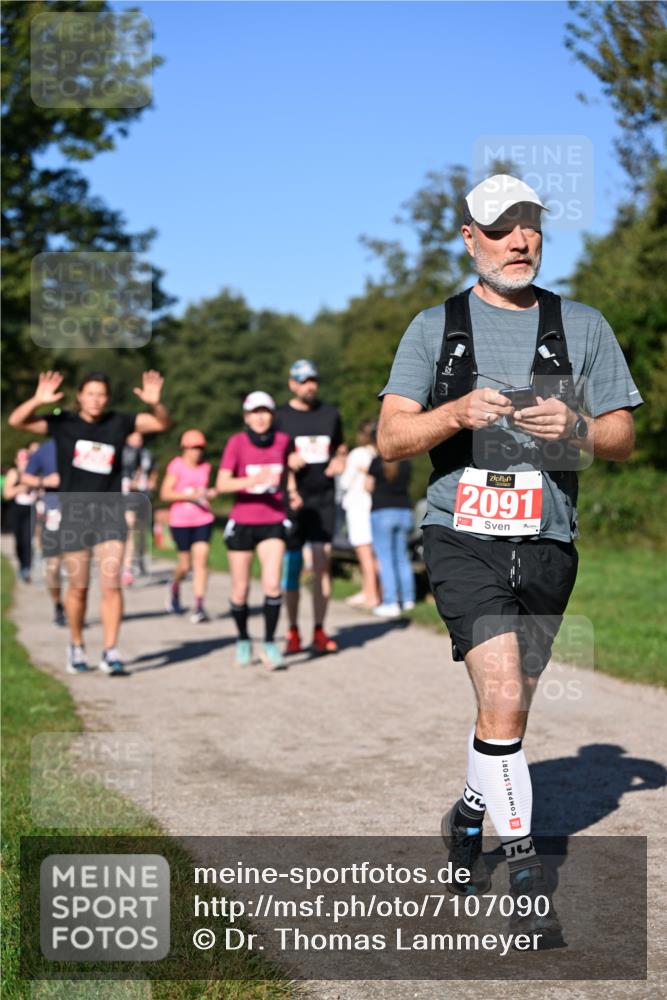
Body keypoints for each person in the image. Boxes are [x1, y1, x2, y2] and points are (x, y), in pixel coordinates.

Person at [377, 174, 642, 947]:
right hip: (461, 534)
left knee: (508, 709)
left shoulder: (580, 323)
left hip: (549, 538)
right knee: (500, 692)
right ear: (469, 238)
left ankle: (467, 810)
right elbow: (390, 439)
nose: (518, 239)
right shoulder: (435, 328)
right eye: (501, 228)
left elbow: (622, 439)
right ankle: (526, 877)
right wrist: (453, 413)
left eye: (529, 224)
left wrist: (579, 427)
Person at [9, 369, 171, 675]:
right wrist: (37, 400)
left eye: (101, 394)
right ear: (80, 396)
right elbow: (17, 421)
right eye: (90, 393)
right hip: (75, 514)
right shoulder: (64, 423)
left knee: (111, 586)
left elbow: (162, 422)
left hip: (110, 512)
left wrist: (156, 404)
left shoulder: (119, 422)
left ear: (107, 398)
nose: (96, 400)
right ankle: (77, 644)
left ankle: (110, 651)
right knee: (79, 588)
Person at [273, 359, 347, 655]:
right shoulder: (279, 416)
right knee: (292, 567)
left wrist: (341, 458)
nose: (310, 385)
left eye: (313, 379)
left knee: (321, 565)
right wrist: (284, 459)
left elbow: (340, 445)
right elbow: (266, 451)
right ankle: (292, 631)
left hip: (323, 499)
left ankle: (319, 629)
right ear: (292, 383)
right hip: (292, 499)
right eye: (303, 381)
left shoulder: (330, 414)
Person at [216, 392, 294, 669]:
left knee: (272, 585)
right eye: (254, 412)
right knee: (240, 589)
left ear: (272, 415)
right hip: (242, 522)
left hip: (273, 520)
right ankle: (243, 639)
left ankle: (270, 644)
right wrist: (254, 479)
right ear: (246, 416)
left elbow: (289, 473)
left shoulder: (284, 441)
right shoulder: (236, 443)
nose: (260, 417)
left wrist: (293, 490)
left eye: (265, 412)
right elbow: (222, 484)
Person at [160, 429, 216, 623]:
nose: (196, 452)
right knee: (185, 564)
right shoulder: (176, 466)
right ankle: (175, 586)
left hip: (203, 518)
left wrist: (210, 494)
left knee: (201, 560)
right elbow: (165, 493)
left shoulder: (206, 467)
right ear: (184, 448)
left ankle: (199, 605)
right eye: (193, 448)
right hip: (181, 520)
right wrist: (189, 496)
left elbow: (207, 490)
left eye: (200, 448)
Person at [21, 438, 66, 625]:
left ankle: (75, 608)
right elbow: (25, 477)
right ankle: (58, 603)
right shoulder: (45, 450)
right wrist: (45, 480)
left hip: (80, 513)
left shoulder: (86, 443)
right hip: (52, 513)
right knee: (53, 567)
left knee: (78, 568)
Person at [366, 455, 415, 618]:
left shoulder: (377, 461)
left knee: (385, 559)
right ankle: (408, 600)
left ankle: (391, 601)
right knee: (402, 557)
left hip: (382, 511)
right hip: (404, 511)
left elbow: (368, 486)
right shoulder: (407, 461)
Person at [339, 419, 380, 609]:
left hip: (358, 506)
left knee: (364, 553)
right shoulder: (379, 453)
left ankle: (371, 595)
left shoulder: (357, 454)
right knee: (373, 554)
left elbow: (345, 483)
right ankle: (371, 591)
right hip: (374, 506)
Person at [121, 430, 157, 585]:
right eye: (134, 437)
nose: (137, 440)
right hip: (127, 496)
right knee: (130, 527)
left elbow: (154, 471)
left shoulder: (147, 454)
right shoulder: (122, 453)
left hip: (143, 496)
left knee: (141, 531)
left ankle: (140, 558)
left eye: (139, 438)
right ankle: (127, 567)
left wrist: (151, 482)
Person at [2, 447, 36, 582]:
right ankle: (22, 565)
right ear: (16, 461)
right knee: (19, 541)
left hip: (31, 509)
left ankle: (27, 568)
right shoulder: (13, 473)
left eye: (27, 459)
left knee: (28, 540)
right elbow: (6, 494)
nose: (24, 462)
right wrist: (20, 488)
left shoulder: (34, 472)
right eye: (22, 459)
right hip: (16, 510)